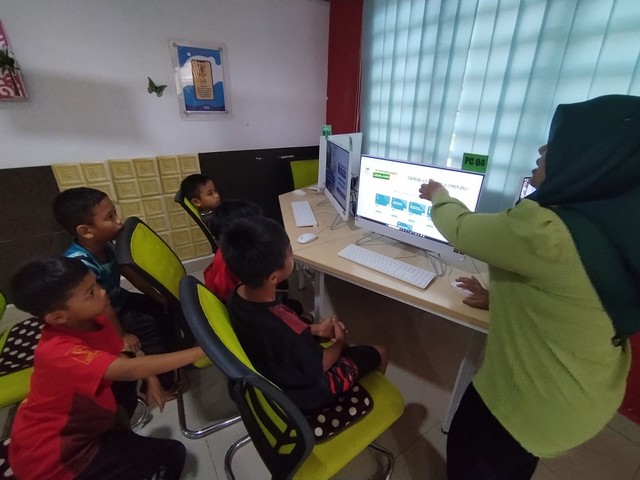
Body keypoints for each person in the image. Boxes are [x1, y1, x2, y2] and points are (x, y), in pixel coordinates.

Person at [418, 94, 640, 480]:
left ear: (586, 158)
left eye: (555, 142)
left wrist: (440, 195)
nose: (541, 150)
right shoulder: (617, 224)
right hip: (584, 396)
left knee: (475, 459)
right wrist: (500, 298)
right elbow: (577, 296)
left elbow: (461, 229)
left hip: (526, 404)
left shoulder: (546, 230)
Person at [8, 256, 206, 480]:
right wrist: (200, 352)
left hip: (91, 427)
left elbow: (123, 358)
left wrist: (152, 379)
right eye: (90, 293)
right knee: (173, 455)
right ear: (58, 316)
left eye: (96, 284)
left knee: (127, 384)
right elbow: (126, 369)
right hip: (55, 458)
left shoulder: (95, 320)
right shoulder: (58, 352)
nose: (102, 292)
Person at [222, 215, 388, 412]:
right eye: (290, 252)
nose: (292, 255)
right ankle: (373, 408)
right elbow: (320, 365)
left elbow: (284, 332)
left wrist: (316, 329)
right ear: (274, 277)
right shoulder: (289, 331)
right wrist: (339, 341)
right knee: (378, 351)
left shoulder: (236, 296)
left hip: (270, 368)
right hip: (303, 395)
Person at [52, 187, 176, 398]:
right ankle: (159, 386)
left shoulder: (106, 245)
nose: (119, 221)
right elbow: (103, 305)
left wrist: (157, 297)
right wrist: (121, 336)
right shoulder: (80, 264)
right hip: (101, 316)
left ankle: (173, 358)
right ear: (86, 231)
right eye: (110, 217)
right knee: (152, 331)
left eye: (115, 213)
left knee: (164, 310)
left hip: (119, 300)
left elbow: (130, 272)